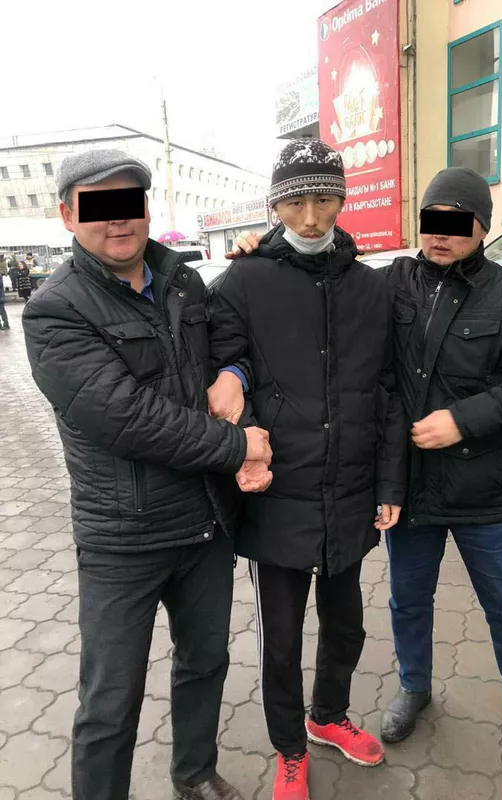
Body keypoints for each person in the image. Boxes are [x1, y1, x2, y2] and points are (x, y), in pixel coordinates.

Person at [224, 166, 502, 781]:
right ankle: (414, 688)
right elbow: (321, 285)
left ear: (483, 227)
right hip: (410, 488)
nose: (440, 235)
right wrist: (266, 244)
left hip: (484, 490)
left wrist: (463, 420)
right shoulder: (393, 283)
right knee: (409, 602)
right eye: (432, 221)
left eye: (456, 224)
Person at [22, 148, 273, 800]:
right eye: (98, 207)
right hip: (123, 538)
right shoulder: (54, 310)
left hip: (204, 525)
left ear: (146, 209)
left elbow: (233, 346)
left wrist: (234, 373)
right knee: (110, 700)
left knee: (205, 661)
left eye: (127, 203)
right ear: (67, 216)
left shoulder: (184, 282)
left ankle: (194, 773)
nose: (117, 220)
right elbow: (130, 419)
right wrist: (238, 446)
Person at [207, 138, 406, 800]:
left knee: (346, 624)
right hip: (279, 491)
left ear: (343, 199)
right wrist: (238, 427)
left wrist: (389, 484)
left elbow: (386, 392)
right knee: (283, 639)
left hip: (349, 491)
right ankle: (290, 749)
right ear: (276, 206)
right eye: (296, 204)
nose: (312, 218)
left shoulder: (372, 289)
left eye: (324, 200)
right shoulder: (244, 281)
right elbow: (224, 363)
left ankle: (329, 716)